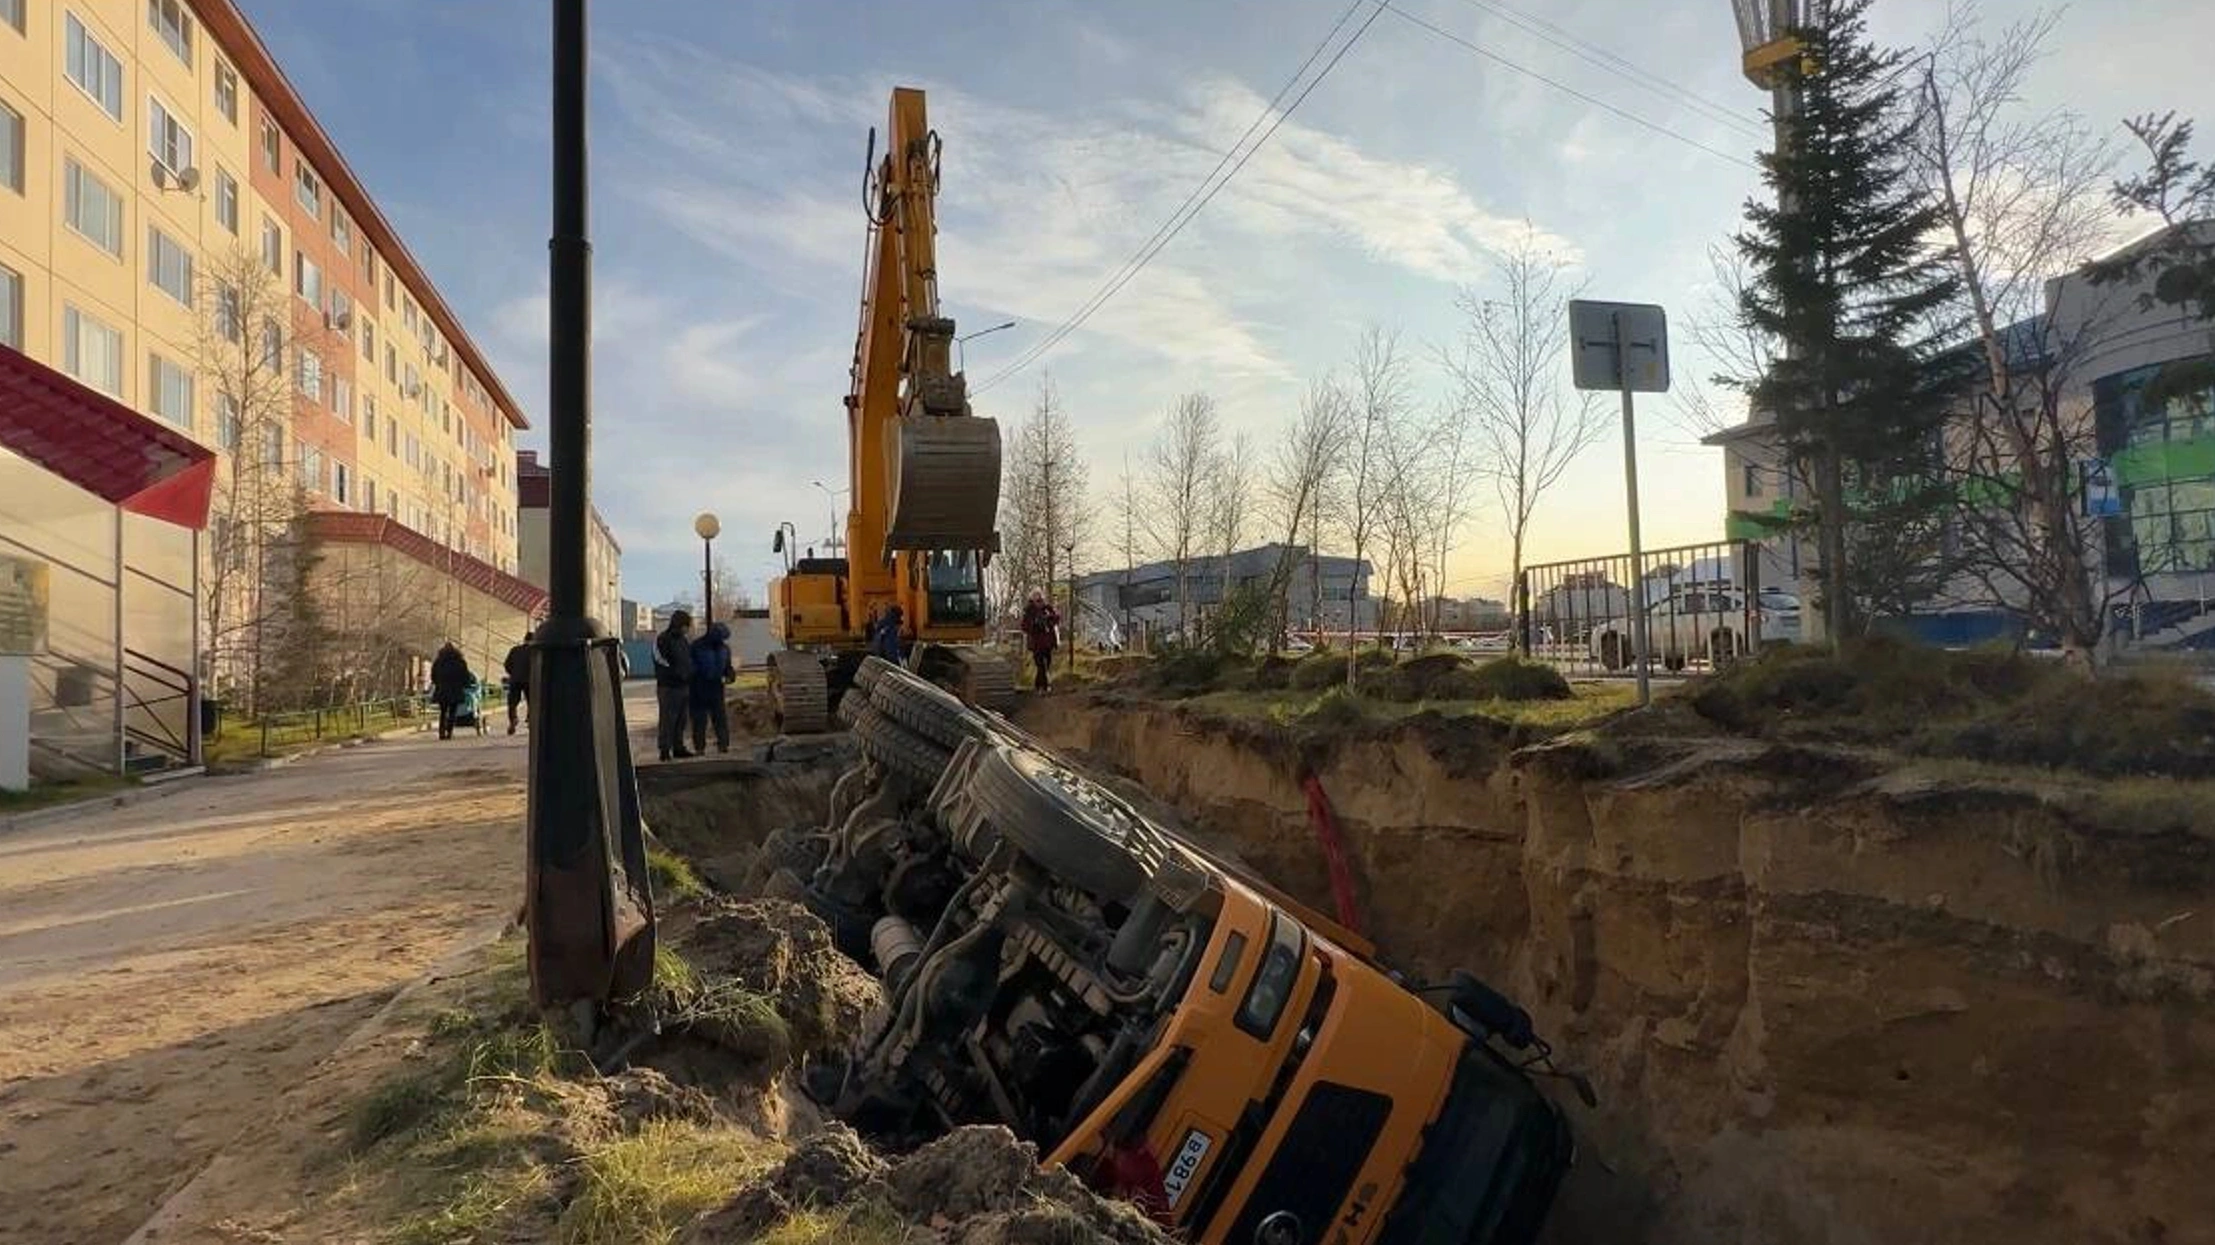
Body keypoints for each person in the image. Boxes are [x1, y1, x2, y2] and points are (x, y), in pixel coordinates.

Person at [689, 620, 737, 754]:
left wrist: (730, 675)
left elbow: (727, 667)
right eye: (720, 638)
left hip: (716, 687)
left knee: (720, 718)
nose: (722, 641)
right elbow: (691, 665)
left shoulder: (724, 649)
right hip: (698, 687)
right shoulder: (697, 646)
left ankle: (723, 745)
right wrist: (696, 675)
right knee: (699, 720)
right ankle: (699, 747)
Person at [653, 610, 696, 761]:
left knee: (681, 719)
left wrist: (690, 673)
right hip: (669, 686)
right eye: (686, 625)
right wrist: (677, 673)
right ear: (680, 624)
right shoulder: (663, 639)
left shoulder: (683, 640)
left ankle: (678, 747)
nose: (688, 629)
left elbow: (687, 659)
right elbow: (660, 661)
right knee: (668, 719)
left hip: (683, 685)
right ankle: (665, 750)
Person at [429, 642, 473, 740]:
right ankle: (449, 731)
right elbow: (465, 676)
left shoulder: (439, 661)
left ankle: (441, 732)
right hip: (455, 690)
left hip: (442, 690)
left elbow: (433, 675)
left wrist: (438, 683)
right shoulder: (460, 661)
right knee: (453, 712)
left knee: (443, 712)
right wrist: (465, 685)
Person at [1021, 589, 1060, 693]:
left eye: (1040, 599)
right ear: (1032, 600)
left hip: (1048, 642)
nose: (1039, 601)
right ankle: (1044, 687)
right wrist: (1034, 624)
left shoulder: (1047, 608)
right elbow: (1024, 626)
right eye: (1036, 599)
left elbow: (1056, 619)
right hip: (1036, 643)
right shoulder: (1029, 610)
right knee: (1040, 665)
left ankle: (1039, 685)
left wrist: (1050, 617)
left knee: (1047, 663)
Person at [502, 630, 533, 735]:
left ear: (524, 639)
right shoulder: (534, 651)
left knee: (512, 702)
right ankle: (531, 720)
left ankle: (513, 720)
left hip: (515, 680)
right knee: (532, 702)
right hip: (530, 680)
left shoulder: (515, 650)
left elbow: (507, 665)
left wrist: (513, 673)